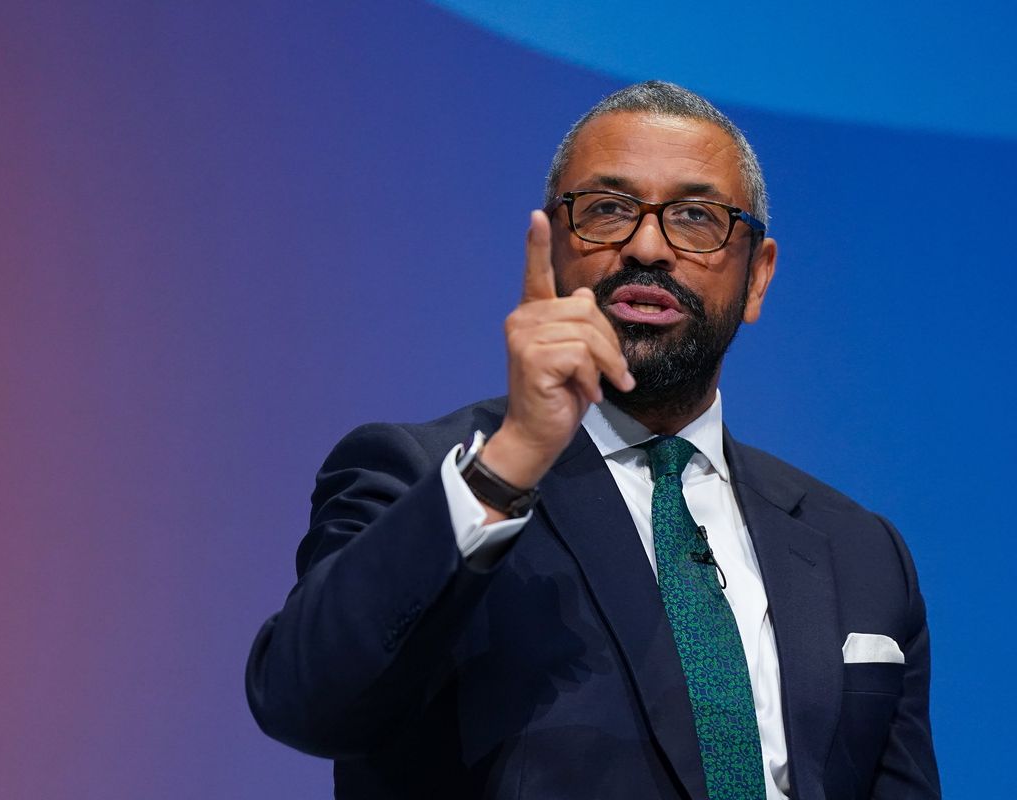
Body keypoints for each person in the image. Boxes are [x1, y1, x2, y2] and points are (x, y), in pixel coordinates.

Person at [245, 81, 939, 799]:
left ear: (757, 277)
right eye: (608, 211)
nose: (646, 245)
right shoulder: (424, 476)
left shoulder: (859, 552)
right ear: (549, 251)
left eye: (696, 218)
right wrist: (513, 458)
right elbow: (306, 703)